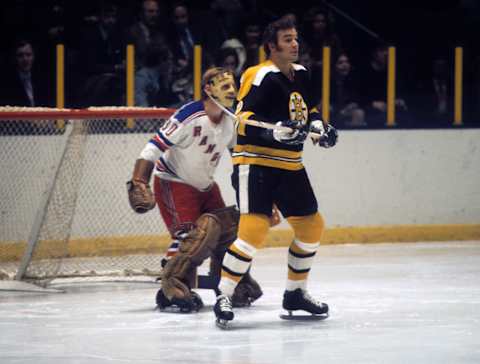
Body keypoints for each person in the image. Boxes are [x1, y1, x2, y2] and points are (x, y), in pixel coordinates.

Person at [213, 16, 338, 327]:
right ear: (272, 46)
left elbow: (309, 110)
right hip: (255, 164)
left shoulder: (302, 74)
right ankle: (223, 294)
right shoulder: (259, 75)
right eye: (287, 40)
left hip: (289, 165)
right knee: (252, 232)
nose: (295, 44)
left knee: (311, 227)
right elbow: (244, 118)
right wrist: (273, 133)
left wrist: (320, 127)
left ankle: (295, 293)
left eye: (296, 38)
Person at [127, 67, 262, 312]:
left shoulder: (232, 120)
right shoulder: (188, 115)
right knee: (189, 236)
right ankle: (171, 288)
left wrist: (251, 193)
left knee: (230, 229)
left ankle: (230, 283)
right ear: (208, 89)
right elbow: (153, 148)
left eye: (233, 86)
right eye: (224, 86)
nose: (232, 91)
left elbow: (239, 160)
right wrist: (139, 181)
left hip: (205, 186)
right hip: (174, 181)